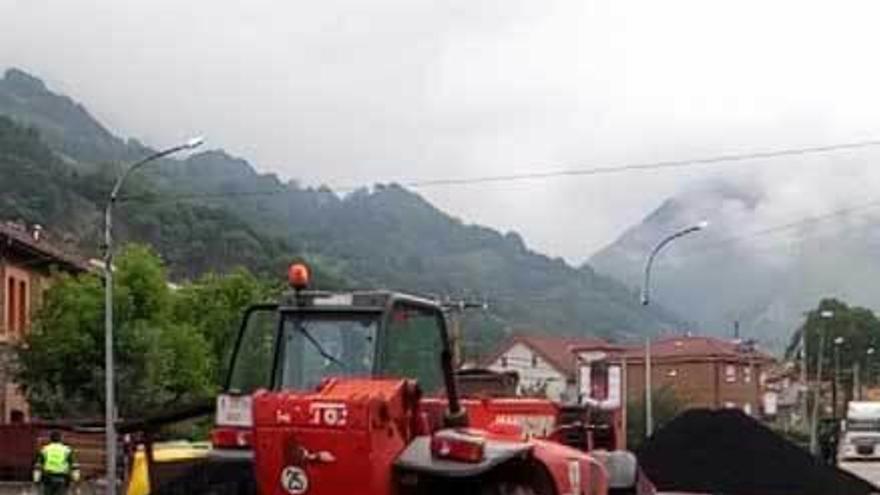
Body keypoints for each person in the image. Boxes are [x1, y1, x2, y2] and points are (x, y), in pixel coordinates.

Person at [33, 430, 80, 495]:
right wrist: (76, 480)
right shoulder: (67, 450)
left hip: (48, 478)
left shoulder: (44, 450)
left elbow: (38, 466)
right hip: (62, 478)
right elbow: (74, 466)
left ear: (50, 439)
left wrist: (36, 480)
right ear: (61, 438)